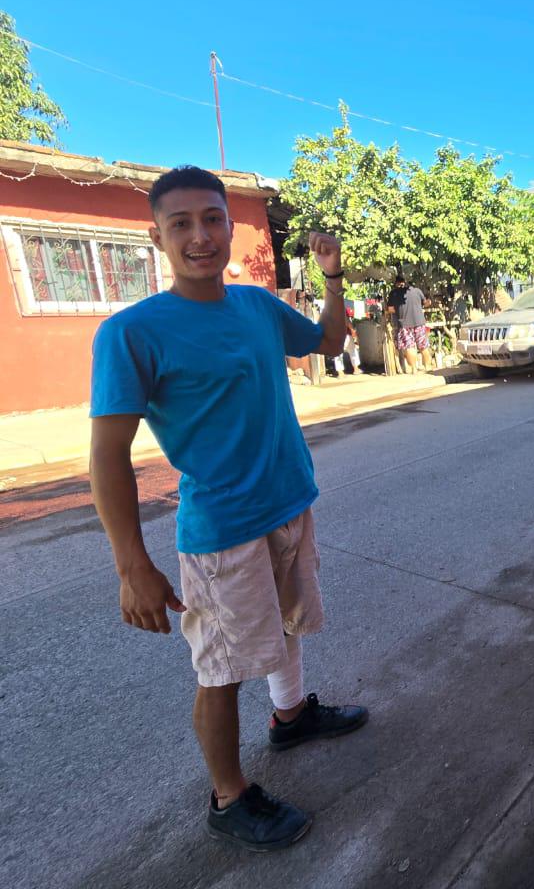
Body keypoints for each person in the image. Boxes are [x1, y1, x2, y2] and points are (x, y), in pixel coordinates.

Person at [89, 165, 367, 851]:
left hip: (289, 502)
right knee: (222, 668)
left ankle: (292, 715)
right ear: (157, 238)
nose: (199, 235)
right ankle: (229, 797)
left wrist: (333, 278)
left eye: (212, 218)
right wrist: (132, 566)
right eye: (180, 223)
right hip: (221, 530)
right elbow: (107, 456)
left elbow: (328, 343)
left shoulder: (255, 305)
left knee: (288, 625)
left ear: (230, 227)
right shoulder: (132, 334)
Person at [386, 274, 430, 372]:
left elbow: (390, 309)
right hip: (419, 322)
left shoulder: (394, 293)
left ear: (396, 283)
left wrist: (398, 310)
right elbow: (425, 303)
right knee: (423, 346)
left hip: (404, 324)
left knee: (409, 347)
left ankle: (414, 369)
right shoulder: (417, 291)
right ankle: (428, 366)